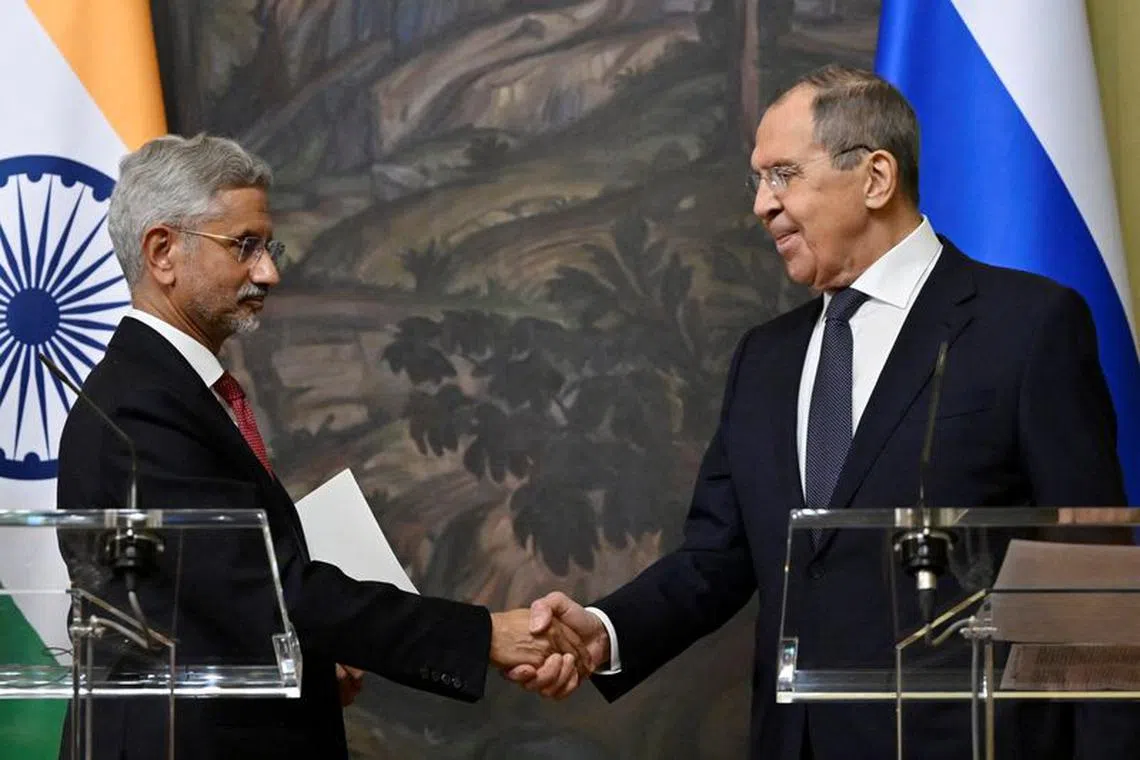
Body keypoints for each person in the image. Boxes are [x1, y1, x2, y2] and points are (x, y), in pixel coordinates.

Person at [508, 65, 1138, 759]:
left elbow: (1087, 578)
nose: (761, 205)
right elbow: (716, 559)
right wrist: (605, 630)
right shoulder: (765, 360)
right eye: (757, 180)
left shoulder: (1027, 326)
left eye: (782, 174)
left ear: (874, 178)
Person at [54, 133, 588, 760]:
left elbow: (211, 606)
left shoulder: (168, 392)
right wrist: (481, 635)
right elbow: (267, 591)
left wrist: (307, 661)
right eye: (245, 246)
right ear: (164, 251)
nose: (269, 271)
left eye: (268, 246)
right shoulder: (140, 407)